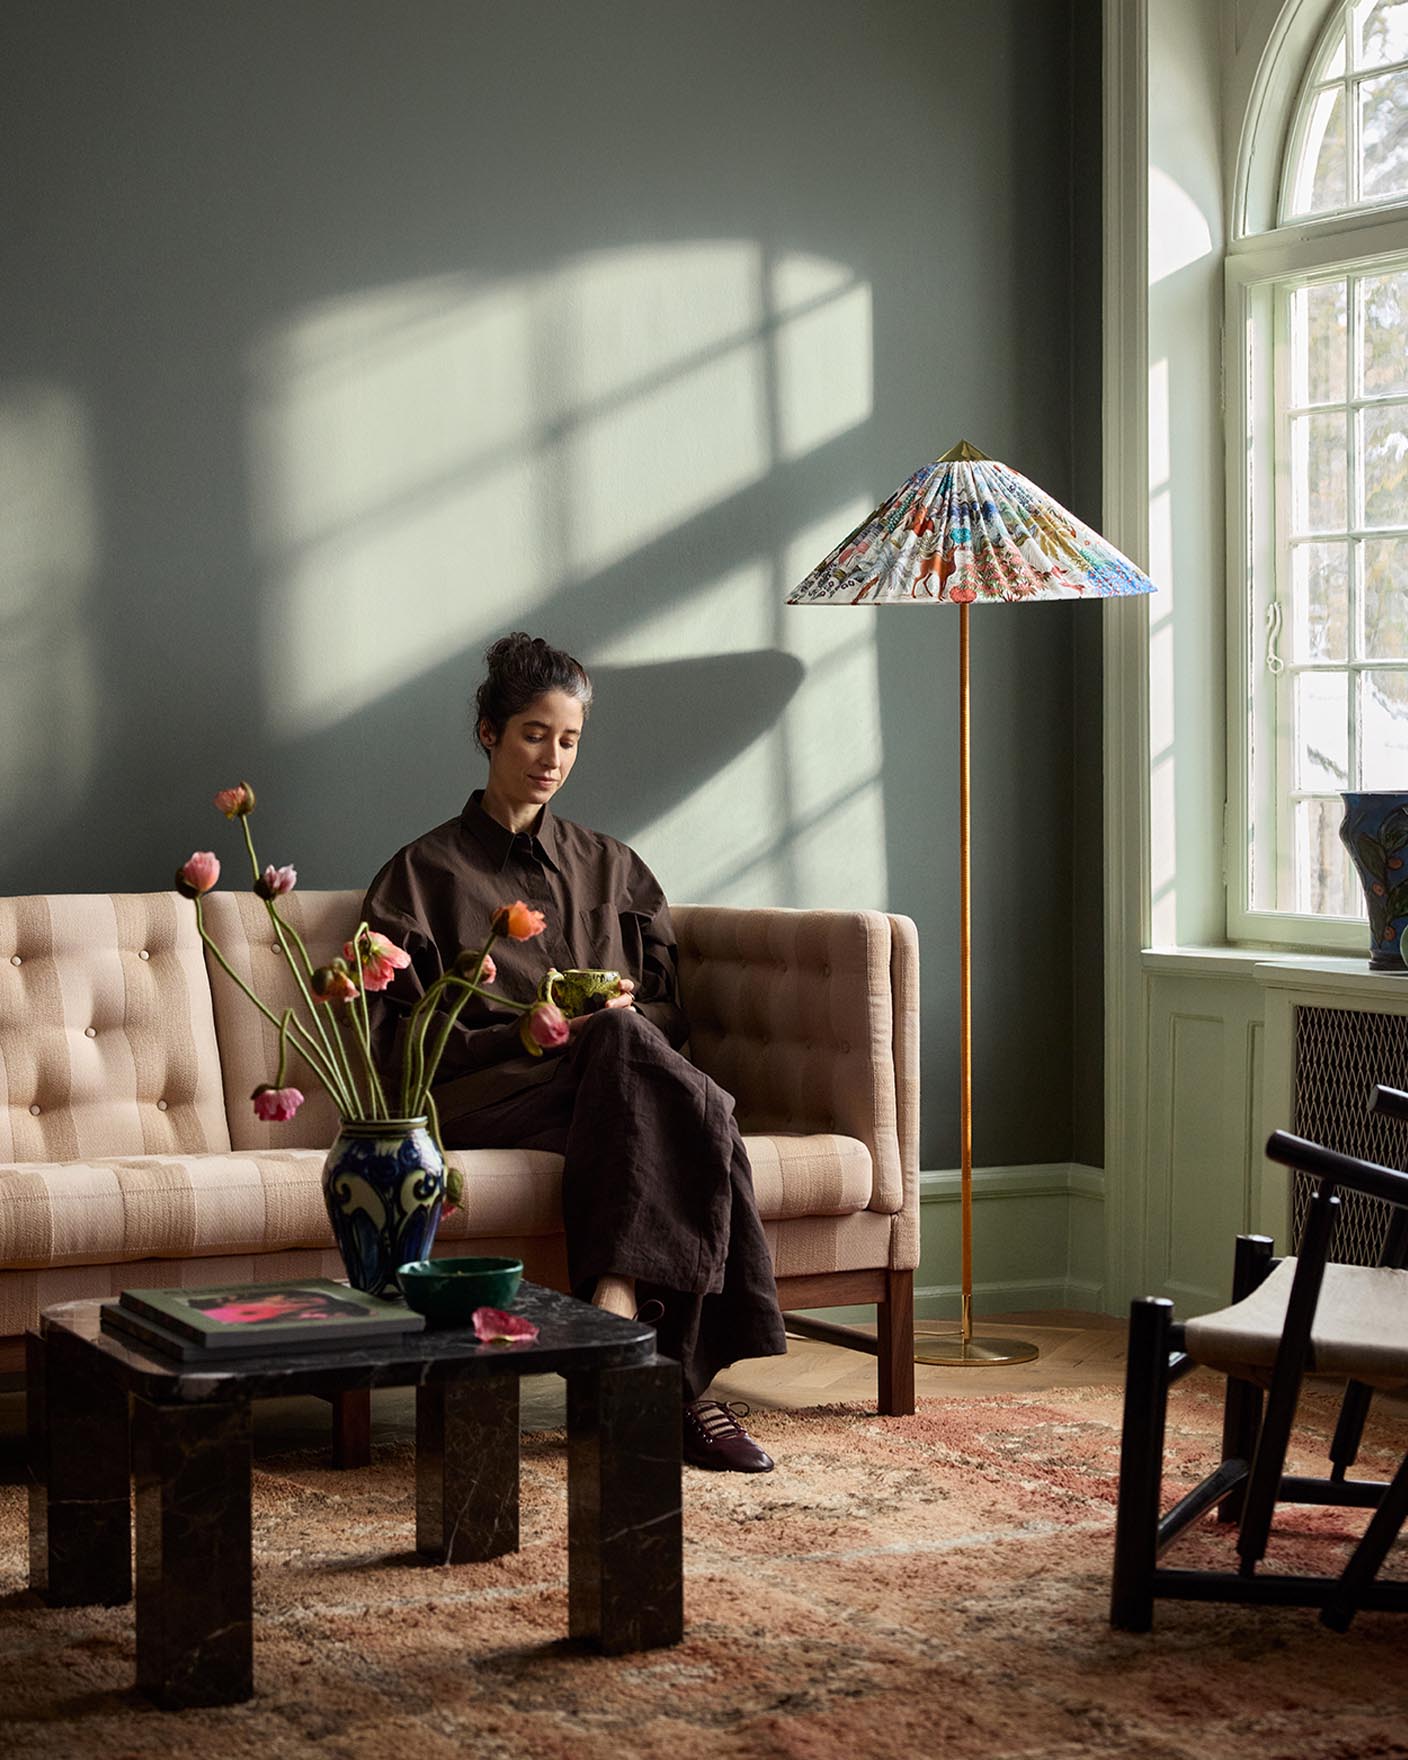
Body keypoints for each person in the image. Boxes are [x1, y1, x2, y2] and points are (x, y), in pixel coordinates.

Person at [360, 632, 788, 1472]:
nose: (551, 757)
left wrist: (623, 1017)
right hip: (488, 1096)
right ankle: (669, 1369)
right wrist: (521, 1032)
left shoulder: (614, 866)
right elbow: (396, 1048)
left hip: (603, 1092)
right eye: (532, 734)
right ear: (488, 731)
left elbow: (671, 1012)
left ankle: (625, 1318)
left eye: (569, 740)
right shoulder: (420, 876)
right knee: (700, 1107)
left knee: (634, 1048)